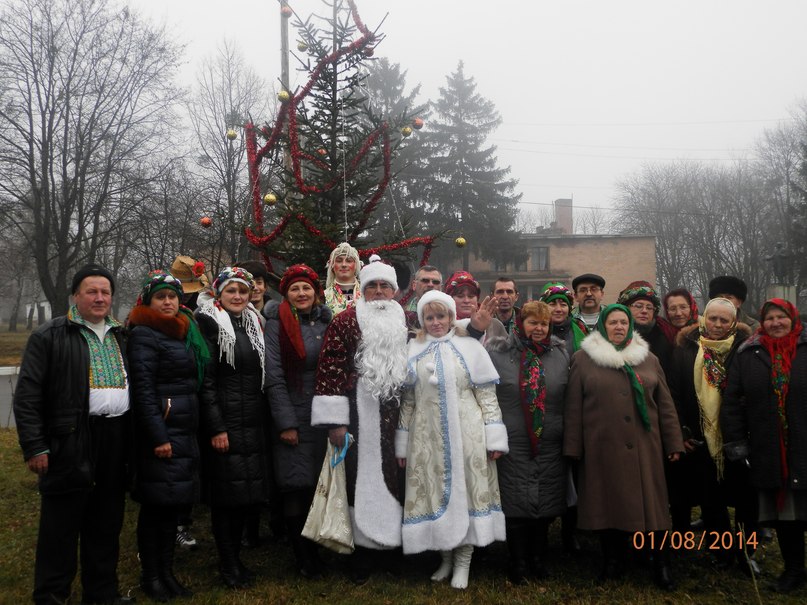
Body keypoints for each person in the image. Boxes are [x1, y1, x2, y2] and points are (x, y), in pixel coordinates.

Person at [14, 264, 134, 605]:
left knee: (106, 522)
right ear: (75, 296)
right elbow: (28, 396)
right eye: (91, 292)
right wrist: (35, 446)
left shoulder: (121, 334)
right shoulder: (50, 336)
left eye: (105, 292)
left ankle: (102, 594)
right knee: (61, 526)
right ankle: (52, 595)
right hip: (69, 439)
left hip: (115, 438)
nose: (99, 298)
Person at [563, 304, 684, 590]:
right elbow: (573, 407)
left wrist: (673, 441)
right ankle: (613, 560)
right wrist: (573, 448)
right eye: (613, 322)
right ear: (603, 326)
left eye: (623, 322)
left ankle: (661, 563)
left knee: (653, 509)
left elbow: (665, 405)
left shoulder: (649, 358)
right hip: (602, 447)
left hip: (646, 447)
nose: (618, 327)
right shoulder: (583, 359)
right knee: (607, 506)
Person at [396, 291, 507, 589]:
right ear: (421, 320)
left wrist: (494, 436)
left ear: (451, 317)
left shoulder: (469, 347)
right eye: (429, 318)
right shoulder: (412, 350)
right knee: (436, 493)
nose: (435, 323)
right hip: (426, 438)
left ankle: (463, 561)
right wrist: (403, 442)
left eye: (441, 316)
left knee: (467, 493)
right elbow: (408, 401)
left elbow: (486, 395)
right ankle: (445, 556)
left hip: (467, 435)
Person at [312, 255, 411, 583]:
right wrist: (335, 422)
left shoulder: (407, 320)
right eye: (373, 286)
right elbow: (330, 369)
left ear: (394, 290)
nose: (379, 292)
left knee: (398, 478)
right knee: (358, 479)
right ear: (363, 289)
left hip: (399, 413)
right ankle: (363, 555)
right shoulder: (345, 321)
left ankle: (393, 551)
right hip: (357, 414)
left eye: (385, 286)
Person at [126, 270, 210, 601]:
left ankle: (167, 573)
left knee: (172, 507)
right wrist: (158, 436)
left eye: (173, 296)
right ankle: (152, 575)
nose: (168, 302)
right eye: (161, 297)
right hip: (162, 434)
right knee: (156, 509)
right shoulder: (145, 335)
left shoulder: (182, 331)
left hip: (184, 430)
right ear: (149, 301)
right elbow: (144, 391)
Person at [722, 299, 807, 594]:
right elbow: (732, 401)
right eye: (769, 318)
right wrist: (737, 443)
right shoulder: (750, 354)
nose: (775, 323)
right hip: (770, 449)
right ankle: (794, 570)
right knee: (787, 514)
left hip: (804, 446)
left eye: (781, 316)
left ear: (792, 319)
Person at [668, 298, 756, 569]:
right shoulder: (685, 349)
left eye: (724, 320)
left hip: (737, 436)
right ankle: (722, 553)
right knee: (711, 500)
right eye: (712, 319)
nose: (717, 325)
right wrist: (682, 429)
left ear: (733, 322)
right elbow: (675, 393)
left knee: (746, 501)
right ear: (703, 318)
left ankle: (745, 553)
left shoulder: (744, 349)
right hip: (700, 436)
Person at [196, 267, 270, 589]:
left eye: (243, 290)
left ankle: (236, 560)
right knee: (226, 498)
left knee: (244, 495)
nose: (238, 296)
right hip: (226, 424)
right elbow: (207, 382)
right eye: (231, 291)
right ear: (219, 294)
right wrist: (216, 427)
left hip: (252, 422)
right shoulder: (210, 324)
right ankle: (227, 564)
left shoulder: (253, 323)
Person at [486, 301, 570, 584]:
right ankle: (518, 561)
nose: (538, 328)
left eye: (544, 324)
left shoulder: (560, 354)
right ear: (521, 323)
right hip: (514, 439)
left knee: (546, 505)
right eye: (533, 322)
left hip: (550, 439)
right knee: (515, 504)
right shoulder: (500, 353)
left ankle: (538, 558)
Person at [264, 264, 331, 579]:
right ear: (286, 294)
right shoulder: (277, 323)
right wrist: (286, 422)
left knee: (318, 483)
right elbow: (274, 375)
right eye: (295, 289)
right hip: (292, 410)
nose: (302, 294)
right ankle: (302, 556)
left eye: (307, 288)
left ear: (316, 292)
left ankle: (318, 549)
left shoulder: (325, 321)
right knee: (296, 486)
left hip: (322, 414)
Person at [617, 281, 674, 374]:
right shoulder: (614, 335)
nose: (644, 311)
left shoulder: (665, 337)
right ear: (626, 308)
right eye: (638, 306)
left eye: (649, 307)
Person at [540, 282, 586, 353]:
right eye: (552, 304)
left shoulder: (582, 328)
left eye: (563, 305)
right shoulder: (535, 331)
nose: (558, 309)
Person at [323, 242, 362, 315]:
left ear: (356, 265)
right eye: (339, 261)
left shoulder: (367, 294)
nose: (344, 265)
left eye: (349, 261)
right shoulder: (323, 297)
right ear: (332, 265)